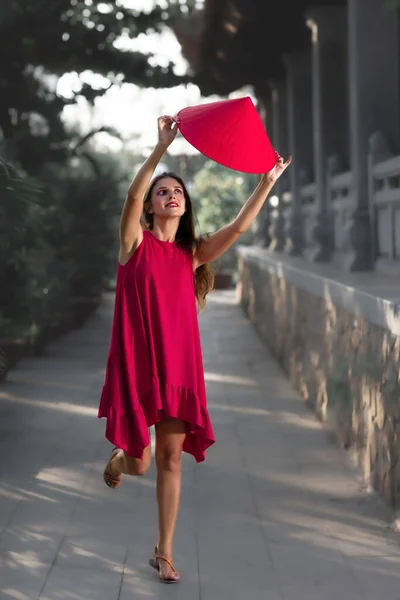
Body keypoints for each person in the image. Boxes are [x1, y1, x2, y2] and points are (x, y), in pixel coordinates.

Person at [98, 115, 291, 583]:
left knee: (169, 459)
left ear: (185, 207)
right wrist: (161, 149)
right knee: (140, 462)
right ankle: (119, 460)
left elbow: (241, 227)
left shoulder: (191, 255)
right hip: (137, 362)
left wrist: (265, 181)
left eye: (178, 192)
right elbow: (131, 195)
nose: (172, 195)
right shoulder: (134, 244)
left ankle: (164, 552)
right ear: (151, 209)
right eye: (164, 192)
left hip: (179, 367)